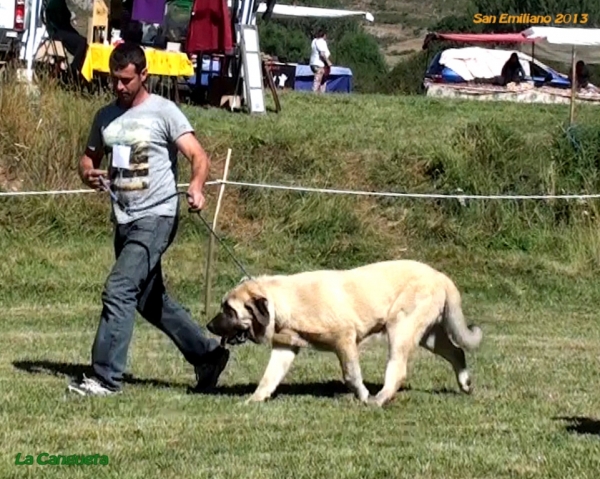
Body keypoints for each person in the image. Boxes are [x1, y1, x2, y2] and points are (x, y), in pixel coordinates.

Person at [68, 42, 229, 397]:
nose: (119, 87)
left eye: (126, 80)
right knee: (147, 299)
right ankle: (208, 356)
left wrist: (198, 187)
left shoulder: (165, 112)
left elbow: (197, 156)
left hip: (156, 216)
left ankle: (105, 379)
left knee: (120, 289)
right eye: (114, 80)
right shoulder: (105, 116)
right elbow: (87, 159)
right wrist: (89, 174)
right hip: (123, 218)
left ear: (144, 75)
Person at [44, 0, 88, 84]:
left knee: (80, 45)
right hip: (58, 31)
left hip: (60, 30)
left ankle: (76, 72)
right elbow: (65, 15)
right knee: (82, 42)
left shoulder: (55, 2)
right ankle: (73, 69)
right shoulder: (56, 2)